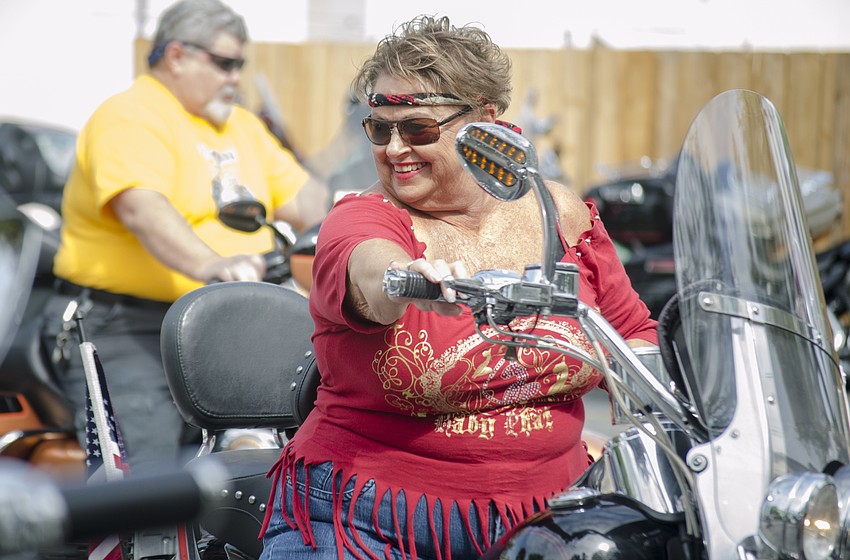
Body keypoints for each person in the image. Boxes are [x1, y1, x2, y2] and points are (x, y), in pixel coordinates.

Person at [259, 14, 657, 560]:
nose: (394, 148)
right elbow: (369, 269)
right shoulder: (363, 217)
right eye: (379, 129)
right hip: (364, 518)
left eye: (418, 129)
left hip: (549, 525)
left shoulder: (559, 212)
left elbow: (631, 332)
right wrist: (406, 281)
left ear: (485, 121)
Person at [41, 0, 329, 473]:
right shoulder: (131, 115)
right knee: (146, 476)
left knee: (272, 452)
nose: (235, 76)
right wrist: (211, 264)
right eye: (225, 62)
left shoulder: (241, 126)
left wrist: (359, 203)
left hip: (228, 324)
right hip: (128, 325)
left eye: (240, 65)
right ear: (177, 55)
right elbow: (142, 207)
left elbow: (306, 201)